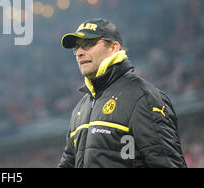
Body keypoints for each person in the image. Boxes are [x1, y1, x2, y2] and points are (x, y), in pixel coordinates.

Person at [58, 18, 187, 168]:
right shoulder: (80, 109)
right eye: (76, 48)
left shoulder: (142, 98)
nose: (79, 53)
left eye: (88, 44)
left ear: (113, 47)